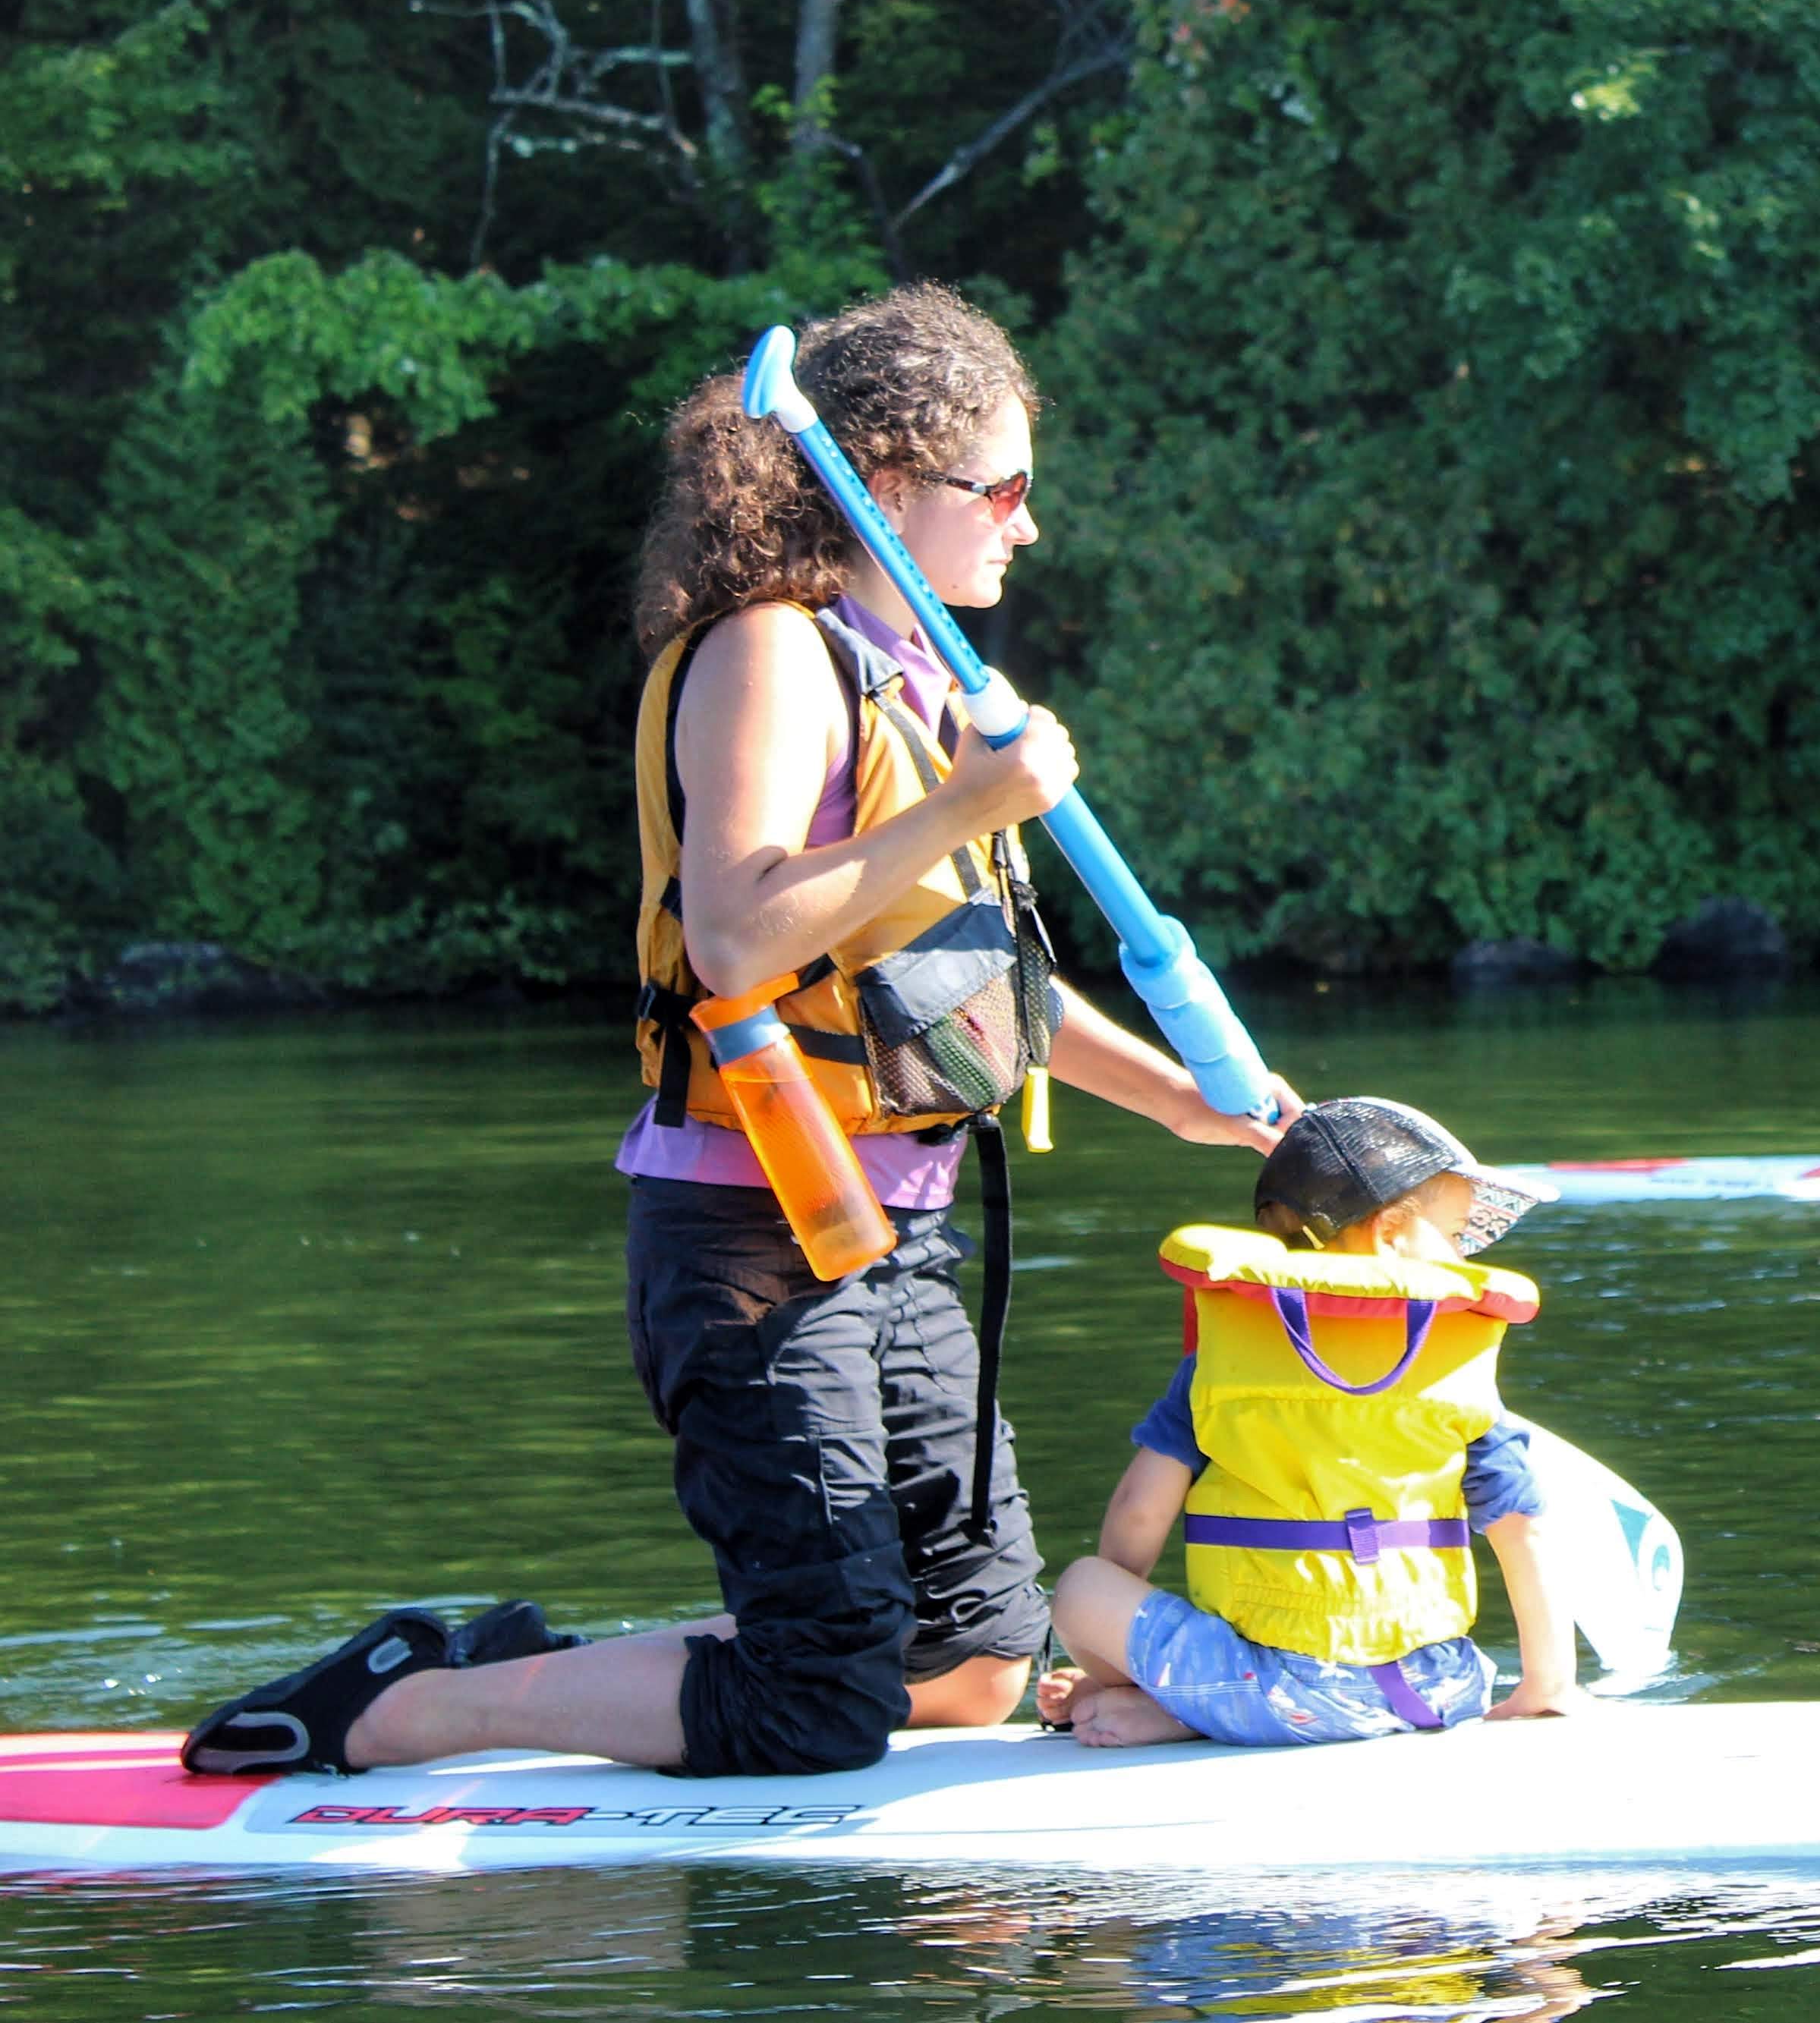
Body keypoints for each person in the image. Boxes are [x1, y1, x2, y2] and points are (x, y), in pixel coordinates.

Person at [182, 283, 1297, 1780]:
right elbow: (739, 934)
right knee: (818, 1700)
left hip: (895, 1238)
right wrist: (976, 804)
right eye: (1008, 489)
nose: (1028, 527)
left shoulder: (925, 690)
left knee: (970, 1667)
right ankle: (395, 1708)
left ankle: (546, 1669)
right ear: (893, 491)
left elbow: (970, 983)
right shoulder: (774, 652)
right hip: (748, 1237)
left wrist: (1184, 1101)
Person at [1042, 1096, 1584, 1747]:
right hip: (1439, 1687)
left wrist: (1125, 1663)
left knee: (1081, 1587)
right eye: (1457, 1234)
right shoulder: (1456, 1368)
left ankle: (1171, 1706)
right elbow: (1523, 1532)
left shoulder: (1222, 1364)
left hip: (1273, 1691)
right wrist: (1545, 1685)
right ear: (1388, 1233)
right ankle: (1181, 1705)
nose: (1465, 1256)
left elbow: (1137, 1513)